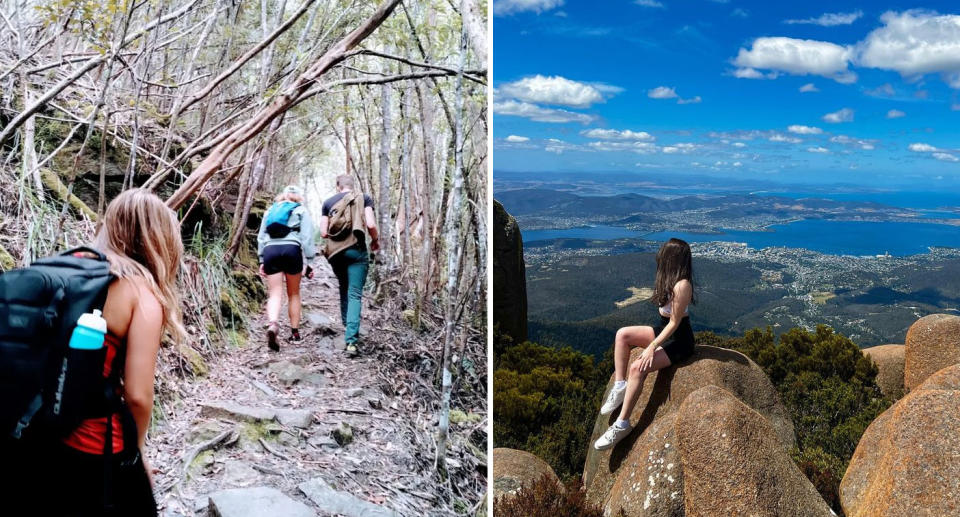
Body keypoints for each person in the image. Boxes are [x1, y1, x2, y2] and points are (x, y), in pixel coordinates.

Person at [10, 189, 185, 515]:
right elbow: (138, 396)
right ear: (159, 239)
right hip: (94, 446)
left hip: (31, 430)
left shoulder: (69, 268)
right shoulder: (141, 292)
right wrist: (139, 451)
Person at [594, 238, 697, 450]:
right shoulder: (670, 279)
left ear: (672, 259)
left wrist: (652, 346)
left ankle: (622, 423)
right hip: (664, 332)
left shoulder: (682, 284)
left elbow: (675, 323)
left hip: (679, 340)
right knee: (622, 335)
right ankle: (621, 386)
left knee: (637, 368)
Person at [320, 174, 379, 357]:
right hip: (356, 251)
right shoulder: (363, 198)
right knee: (355, 294)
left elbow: (323, 232)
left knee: (343, 287)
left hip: (336, 254)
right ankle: (351, 341)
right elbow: (370, 223)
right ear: (352, 186)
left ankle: (348, 324)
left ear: (338, 186)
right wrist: (375, 240)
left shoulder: (328, 203)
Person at [258, 185, 316, 351]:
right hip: (291, 249)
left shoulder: (269, 211)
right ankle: (295, 333)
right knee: (294, 293)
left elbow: (261, 237)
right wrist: (310, 261)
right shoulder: (301, 210)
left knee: (275, 293)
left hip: (270, 250)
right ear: (298, 197)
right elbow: (307, 237)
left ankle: (273, 324)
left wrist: (261, 259)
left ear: (282, 196)